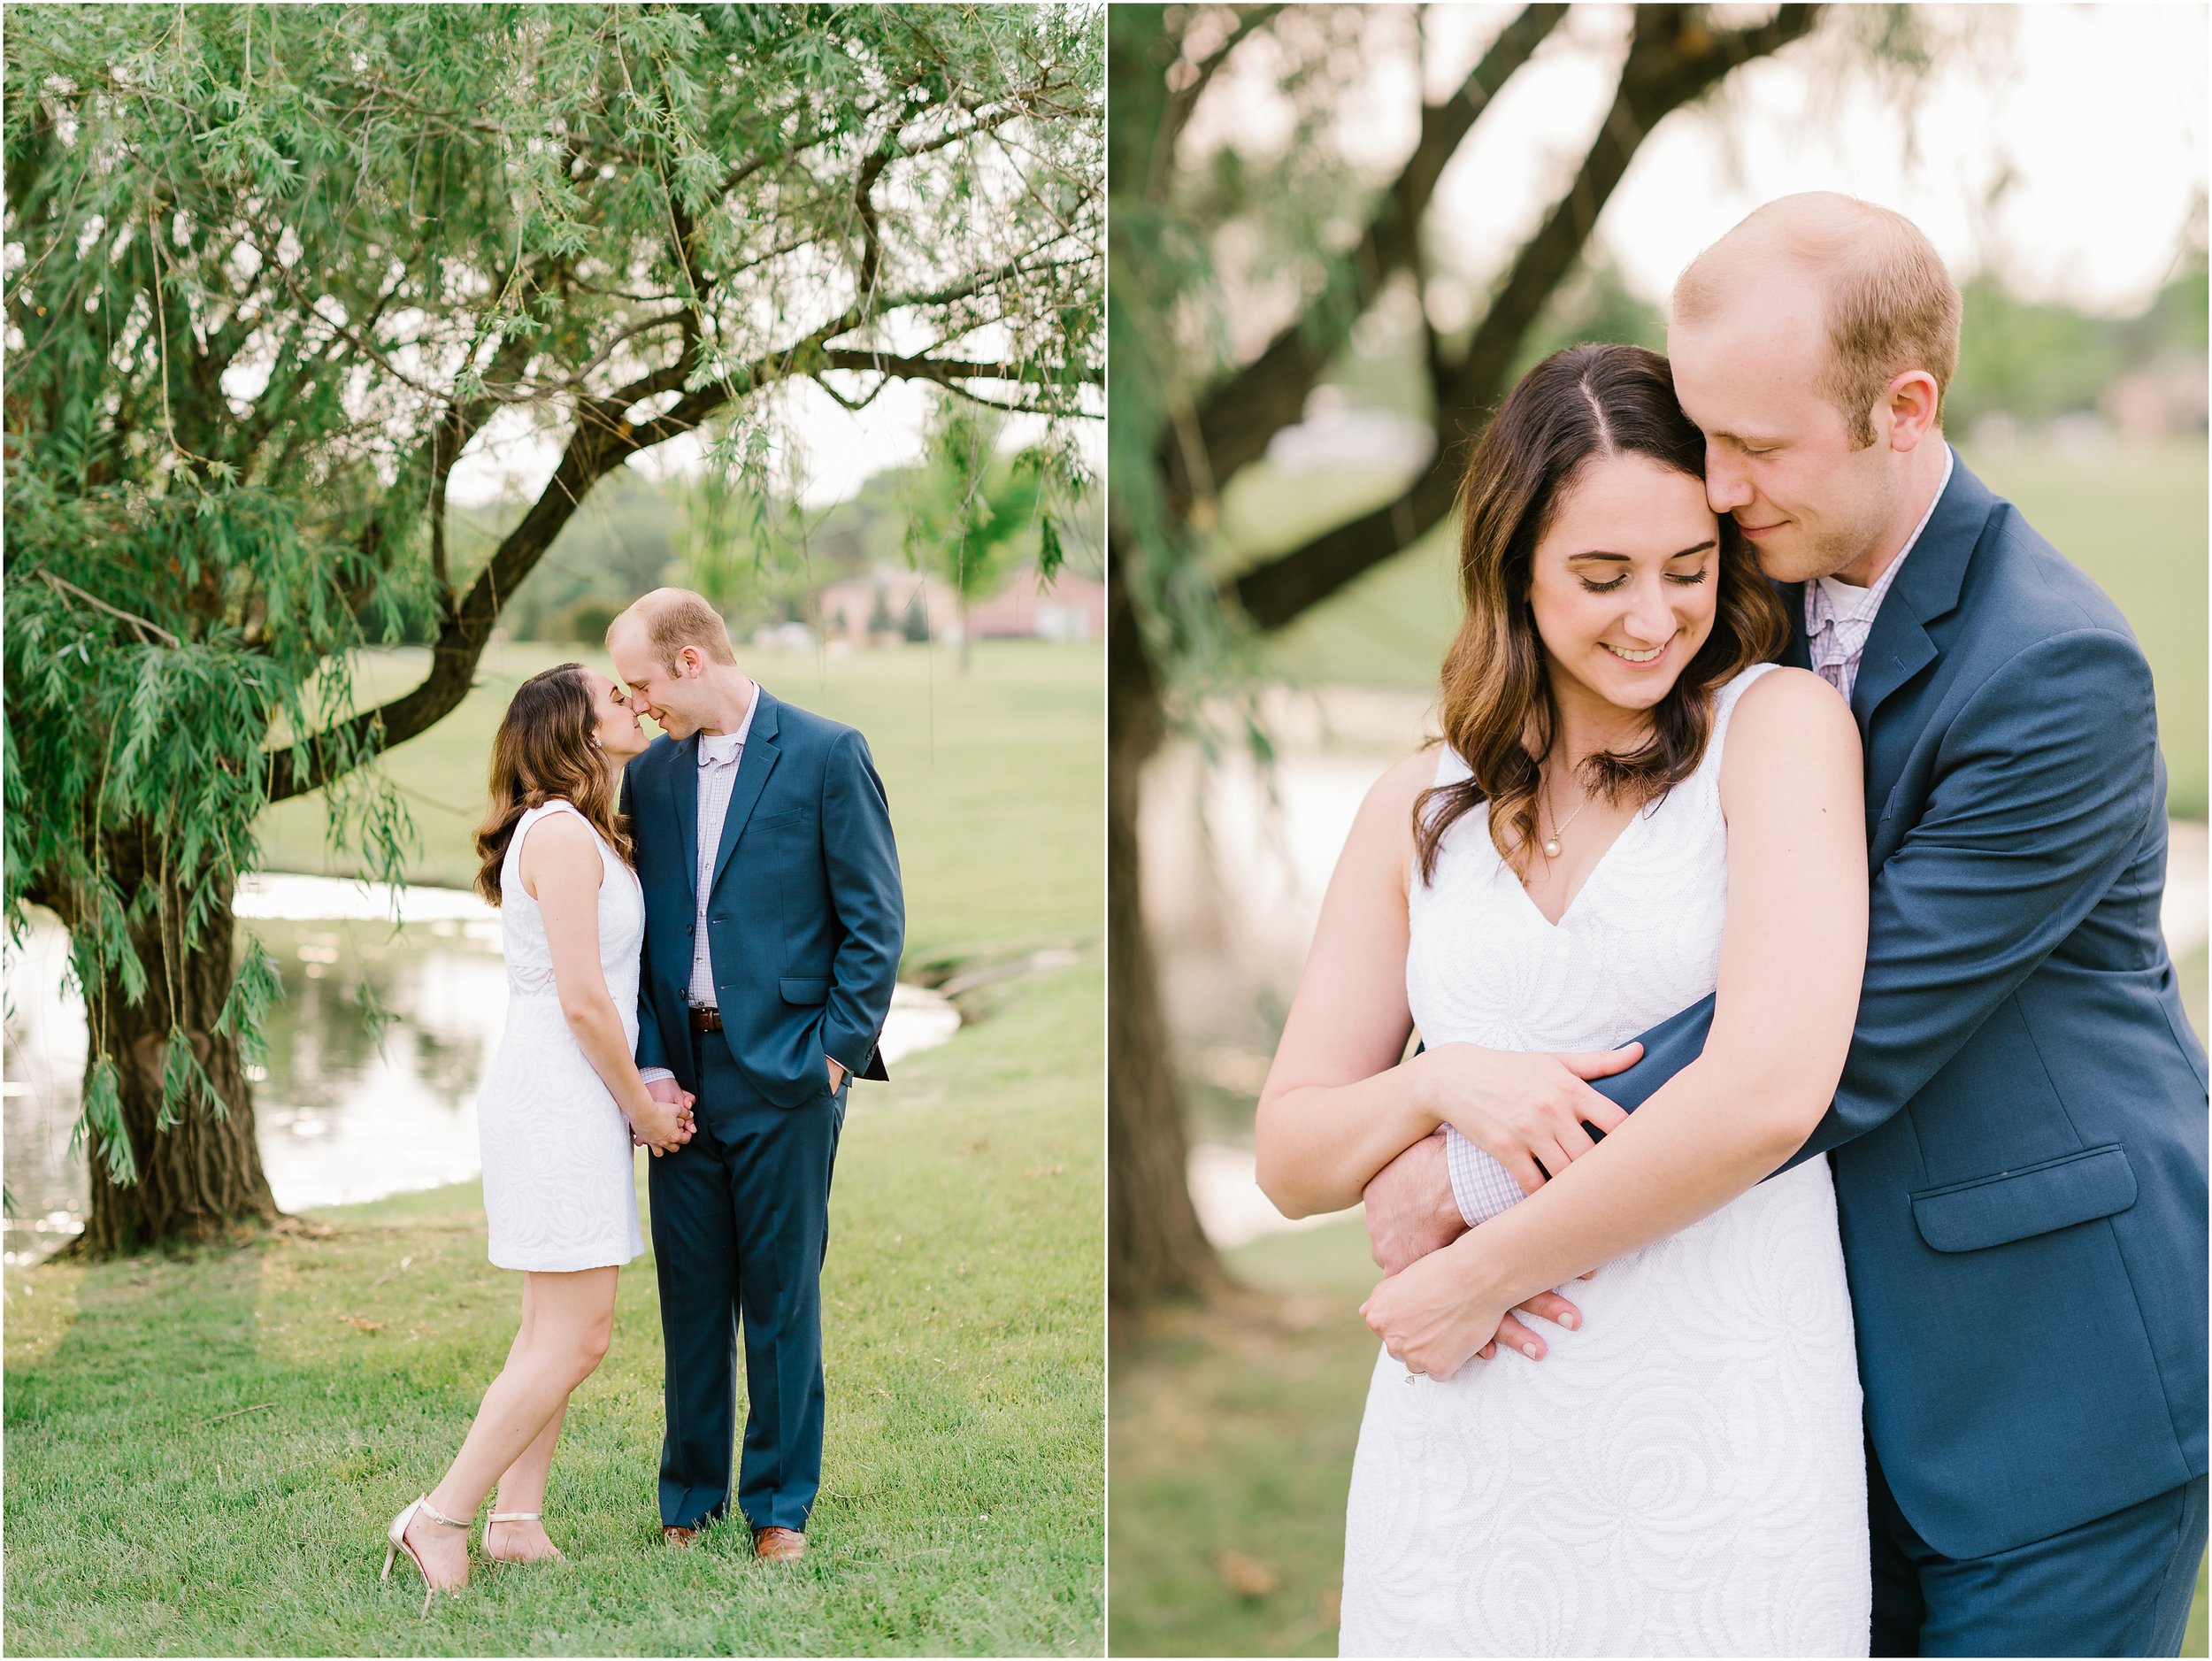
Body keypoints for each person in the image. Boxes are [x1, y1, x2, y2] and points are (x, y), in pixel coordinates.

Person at [1359, 195, 2208, 1657]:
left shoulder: (2053, 673)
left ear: (1905, 407)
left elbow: (1839, 1037)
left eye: (1759, 444)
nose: (1723, 485)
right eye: (1706, 436)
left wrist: (1481, 1174)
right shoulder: (1743, 598)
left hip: (2054, 1375)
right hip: (1813, 1375)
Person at [1256, 340, 1871, 1655]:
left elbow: (1768, 1089)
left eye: (1688, 571)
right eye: (1602, 577)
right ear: (1513, 566)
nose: (1652, 616)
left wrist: (1481, 1265)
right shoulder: (1418, 803)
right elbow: (1290, 1155)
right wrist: (1437, 1080)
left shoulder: (1778, 733)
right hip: (1462, 1436)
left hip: (1718, 1410)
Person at [384, 663, 695, 1611]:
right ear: (573, 729)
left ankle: (517, 1520)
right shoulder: (559, 835)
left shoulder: (575, 830)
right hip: (559, 1092)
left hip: (567, 1089)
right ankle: (439, 1515)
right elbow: (581, 997)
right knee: (578, 1334)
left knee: (545, 1328)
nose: (630, 703)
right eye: (611, 697)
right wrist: (643, 1108)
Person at [607, 588, 904, 1563]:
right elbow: (641, 941)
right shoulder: (648, 779)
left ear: (691, 661)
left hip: (787, 1075)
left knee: (781, 1294)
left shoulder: (826, 753)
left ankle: (780, 1505)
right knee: (691, 1293)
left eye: (643, 682)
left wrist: (830, 1056)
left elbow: (874, 920)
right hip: (679, 1076)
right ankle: (686, 1498)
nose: (636, 702)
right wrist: (649, 1062)